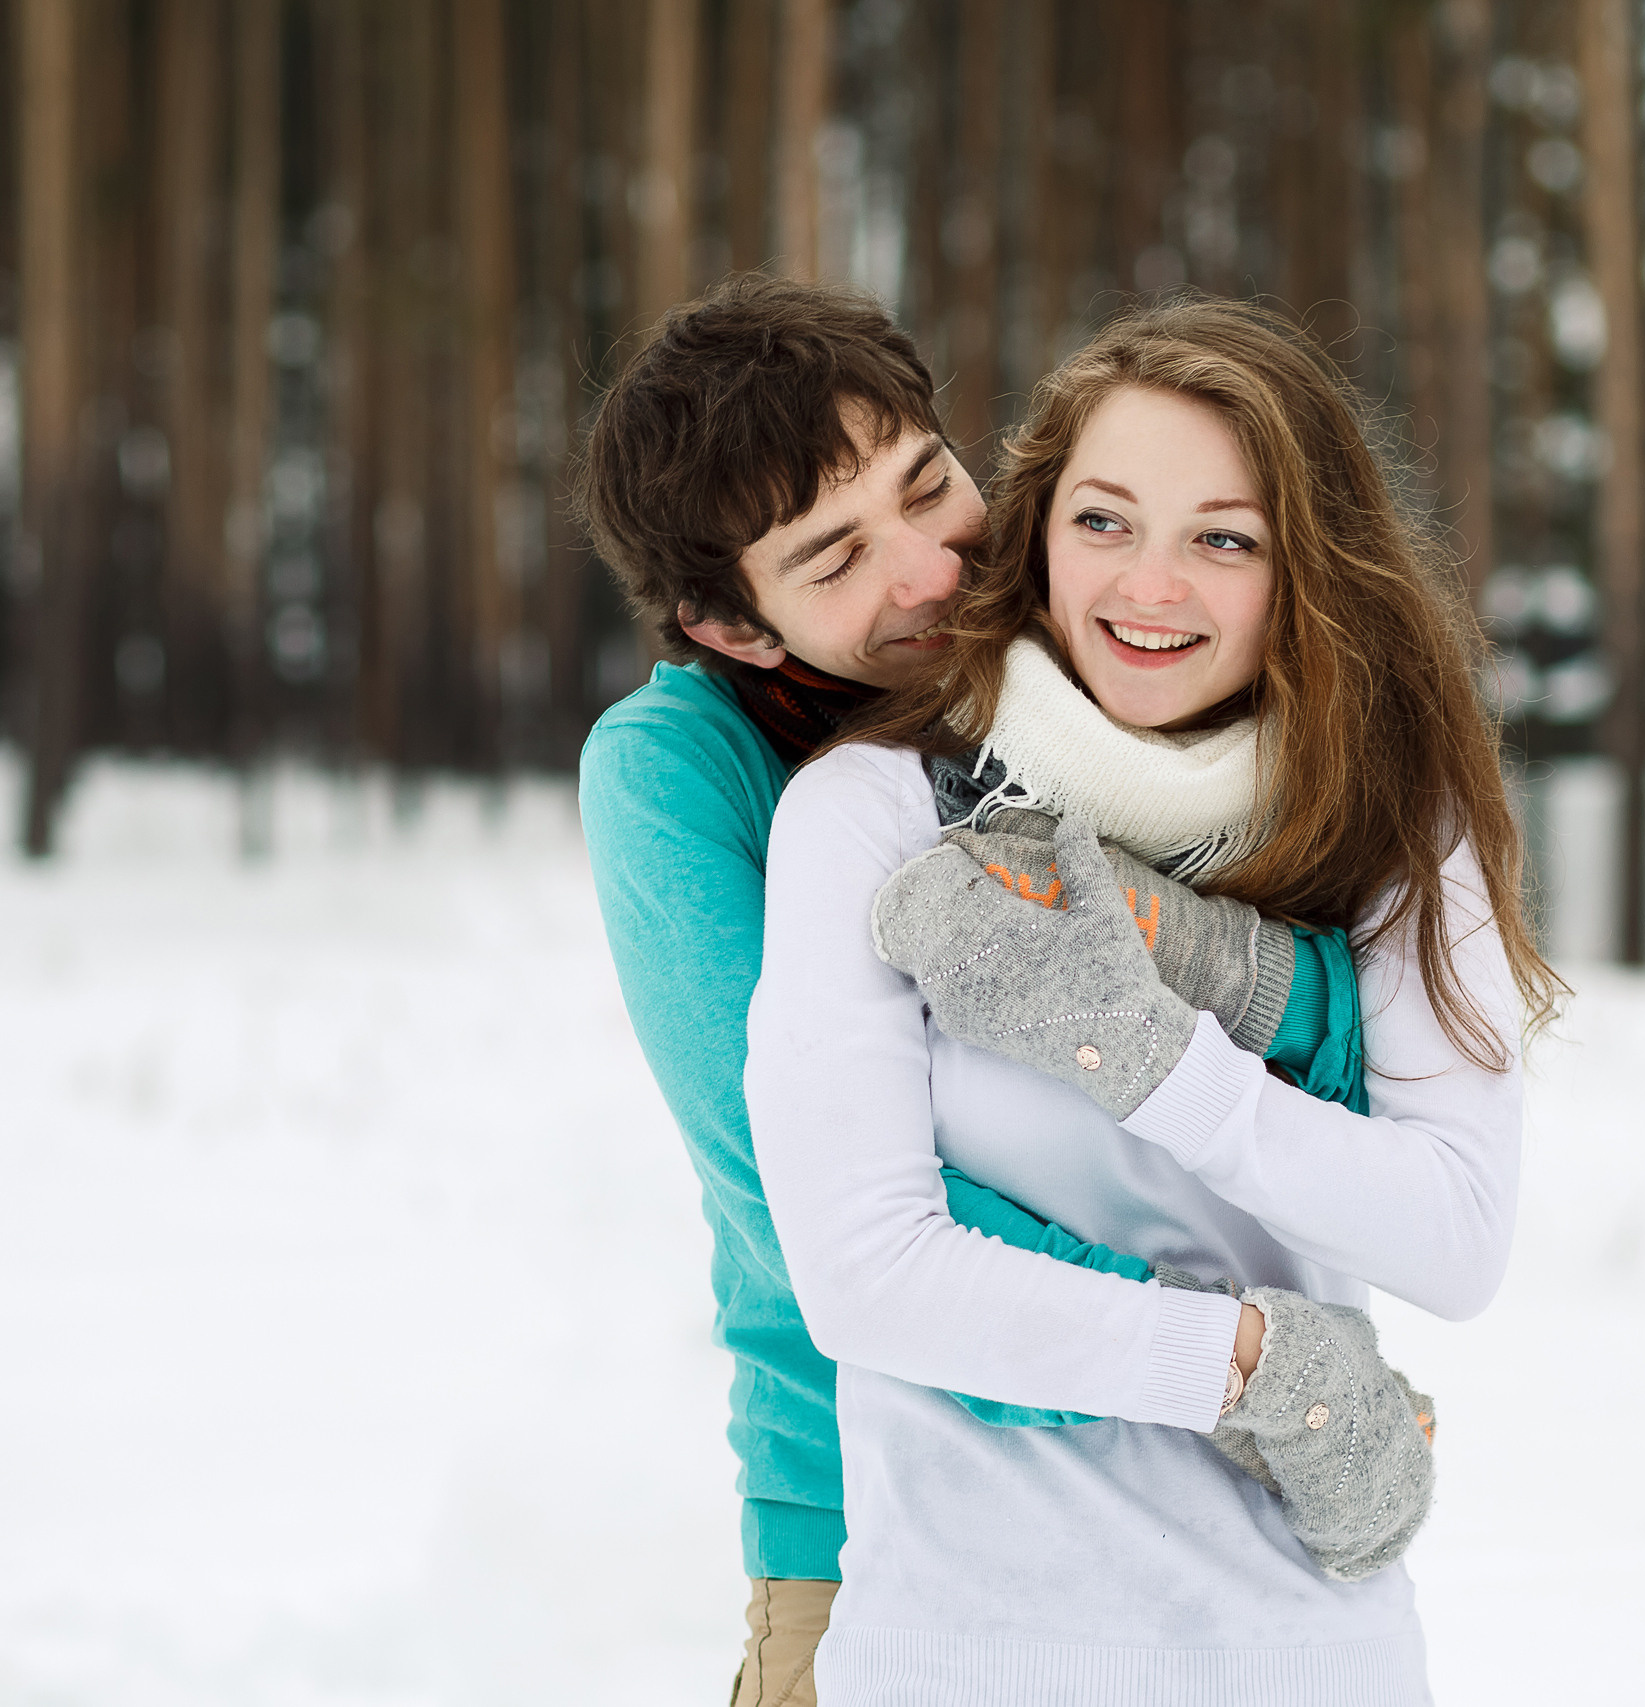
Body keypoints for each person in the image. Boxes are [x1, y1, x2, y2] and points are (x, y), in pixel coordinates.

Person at [574, 277, 1413, 1705]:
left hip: (1233, 1537)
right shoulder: (680, 777)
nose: (927, 572)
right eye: (834, 558)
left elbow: (1351, 1038)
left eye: (926, 488)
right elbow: (802, 1208)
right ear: (733, 626)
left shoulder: (1094, 648)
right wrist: (1235, 1366)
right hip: (879, 1523)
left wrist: (1275, 996)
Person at [745, 297, 1562, 1704]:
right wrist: (1247, 1363)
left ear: (1304, 568)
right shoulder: (877, 813)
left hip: (1303, 1660)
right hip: (965, 1654)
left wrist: (1152, 1061)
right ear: (1039, 528)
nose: (1150, 587)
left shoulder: (1385, 823)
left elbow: (1456, 1236)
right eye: (1105, 521)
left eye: (1223, 539)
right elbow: (865, 1276)